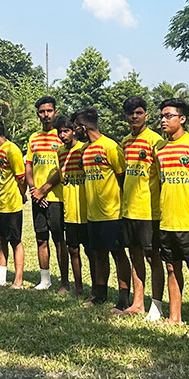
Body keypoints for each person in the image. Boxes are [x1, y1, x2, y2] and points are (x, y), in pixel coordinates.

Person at [154, 98, 189, 336]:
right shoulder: (160, 149)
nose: (164, 120)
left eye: (169, 116)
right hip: (167, 220)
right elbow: (160, 181)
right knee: (171, 268)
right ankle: (174, 316)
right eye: (162, 116)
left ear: (182, 119)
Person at [74, 108, 131, 311]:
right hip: (93, 213)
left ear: (83, 127)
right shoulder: (84, 150)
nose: (74, 133)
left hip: (112, 212)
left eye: (75, 129)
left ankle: (124, 297)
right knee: (98, 253)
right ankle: (100, 293)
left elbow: (123, 178)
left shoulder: (110, 146)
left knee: (118, 253)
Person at [120, 96, 168, 319]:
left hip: (149, 211)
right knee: (135, 256)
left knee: (153, 258)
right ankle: (137, 303)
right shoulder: (126, 142)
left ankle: (156, 305)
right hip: (129, 210)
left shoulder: (155, 141)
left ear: (146, 115)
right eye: (130, 113)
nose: (134, 117)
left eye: (138, 112)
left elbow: (162, 176)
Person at [24, 96, 63, 290]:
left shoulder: (62, 135)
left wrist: (44, 190)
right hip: (37, 197)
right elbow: (29, 166)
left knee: (59, 240)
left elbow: (62, 168)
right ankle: (45, 279)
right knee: (41, 238)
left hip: (56, 197)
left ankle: (64, 281)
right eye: (42, 111)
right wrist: (33, 190)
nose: (45, 115)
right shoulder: (34, 138)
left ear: (55, 112)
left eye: (49, 111)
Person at [0, 119, 27, 288]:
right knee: (0, 240)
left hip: (12, 205)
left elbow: (21, 177)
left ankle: (18, 279)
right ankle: (1, 277)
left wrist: (22, 195)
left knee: (15, 241)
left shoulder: (12, 150)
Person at [57, 113, 87, 298]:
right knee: (73, 250)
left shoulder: (84, 149)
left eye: (66, 131)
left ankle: (98, 288)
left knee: (92, 252)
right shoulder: (59, 152)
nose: (62, 135)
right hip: (70, 211)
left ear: (74, 131)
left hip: (87, 211)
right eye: (60, 132)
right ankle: (78, 287)